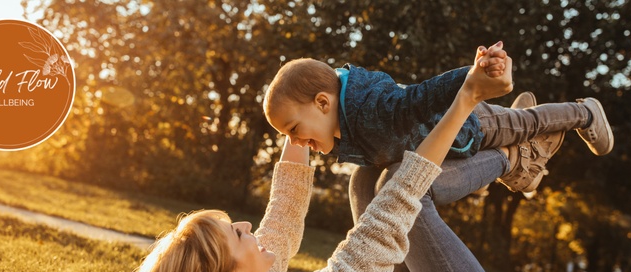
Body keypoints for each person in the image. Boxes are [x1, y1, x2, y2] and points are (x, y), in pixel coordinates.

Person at [118, 46, 580, 272]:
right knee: (398, 186)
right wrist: (467, 98)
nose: (245, 224)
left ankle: (517, 157)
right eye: (237, 234)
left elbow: (282, 214)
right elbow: (398, 202)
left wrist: (295, 126)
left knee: (362, 179)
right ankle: (513, 157)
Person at [262, 42, 613, 193]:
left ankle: (584, 112)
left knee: (528, 124)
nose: (294, 142)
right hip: (450, 151)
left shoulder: (373, 107)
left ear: (323, 102)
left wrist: (475, 74)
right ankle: (522, 155)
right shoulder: (341, 129)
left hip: (472, 124)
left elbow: (422, 95)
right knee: (520, 124)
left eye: (293, 129)